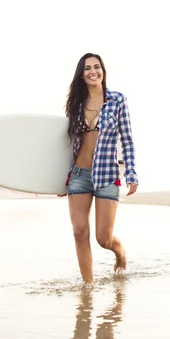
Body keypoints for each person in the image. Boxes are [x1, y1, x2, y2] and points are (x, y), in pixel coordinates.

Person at [57, 53, 139, 284]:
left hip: (107, 175)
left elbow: (127, 139)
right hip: (79, 175)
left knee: (103, 239)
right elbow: (67, 145)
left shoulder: (117, 100)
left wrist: (131, 172)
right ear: (81, 75)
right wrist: (58, 179)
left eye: (97, 67)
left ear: (103, 71)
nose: (93, 71)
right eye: (87, 68)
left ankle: (120, 252)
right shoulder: (76, 105)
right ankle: (88, 289)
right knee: (79, 232)